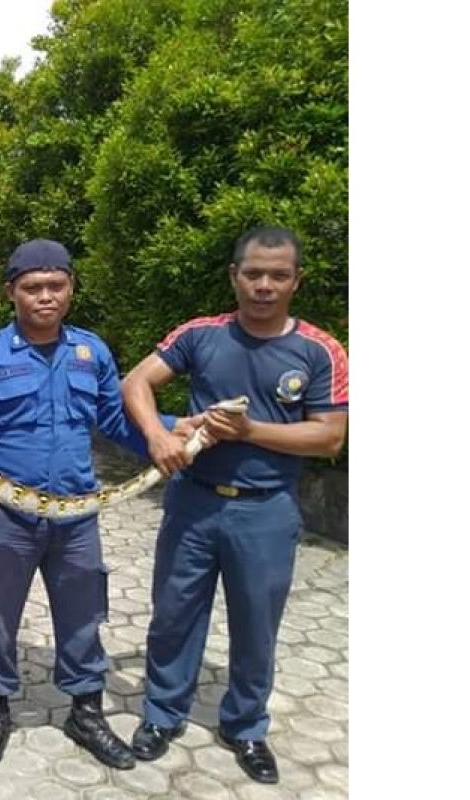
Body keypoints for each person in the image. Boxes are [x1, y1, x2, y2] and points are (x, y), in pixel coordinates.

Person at [0, 239, 197, 772]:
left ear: (71, 289)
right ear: (11, 292)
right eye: (32, 287)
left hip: (78, 514)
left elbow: (114, 419)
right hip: (8, 515)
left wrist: (172, 430)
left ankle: (85, 710)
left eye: (55, 286)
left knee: (83, 617)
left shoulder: (92, 352)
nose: (45, 297)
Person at [121, 226, 349, 785]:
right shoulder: (202, 335)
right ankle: (161, 713)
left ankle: (245, 726)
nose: (264, 286)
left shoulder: (320, 350)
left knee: (256, 626)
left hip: (266, 511)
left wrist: (248, 431)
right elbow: (136, 382)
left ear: (297, 280)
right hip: (192, 503)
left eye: (277, 275)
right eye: (253, 274)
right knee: (174, 616)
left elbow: (329, 438)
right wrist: (157, 435)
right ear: (234, 277)